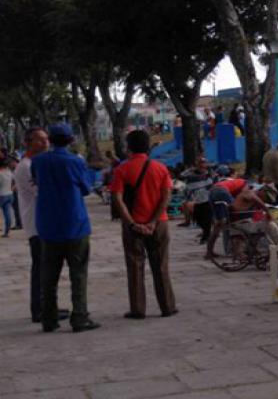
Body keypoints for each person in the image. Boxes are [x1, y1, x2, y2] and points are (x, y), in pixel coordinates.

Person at [32, 123, 100, 333]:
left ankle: (49, 318)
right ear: (71, 140)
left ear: (50, 140)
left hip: (48, 225)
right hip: (75, 224)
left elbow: (36, 181)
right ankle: (79, 317)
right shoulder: (75, 161)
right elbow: (86, 189)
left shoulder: (38, 161)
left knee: (48, 276)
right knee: (78, 274)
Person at [110, 130, 177, 319]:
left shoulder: (122, 169)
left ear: (128, 147)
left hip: (133, 226)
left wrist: (131, 224)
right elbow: (166, 196)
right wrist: (154, 221)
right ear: (148, 146)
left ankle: (138, 309)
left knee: (135, 266)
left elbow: (117, 198)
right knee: (161, 266)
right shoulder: (160, 168)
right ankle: (167, 306)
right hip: (159, 224)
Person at [15, 127, 70, 323]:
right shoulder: (26, 166)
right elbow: (40, 191)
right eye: (39, 140)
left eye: (46, 139)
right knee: (41, 267)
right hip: (36, 224)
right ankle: (39, 309)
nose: (45, 143)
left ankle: (48, 306)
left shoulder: (38, 164)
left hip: (45, 222)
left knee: (47, 268)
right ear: (28, 143)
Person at [179, 157, 215, 243]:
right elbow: (181, 176)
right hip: (196, 201)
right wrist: (191, 169)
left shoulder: (209, 174)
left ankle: (206, 237)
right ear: (197, 165)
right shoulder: (191, 175)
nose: (202, 165)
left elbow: (214, 181)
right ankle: (206, 234)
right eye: (200, 163)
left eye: (204, 163)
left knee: (207, 220)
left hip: (207, 200)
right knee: (198, 219)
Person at [0, 158, 13, 237]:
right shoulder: (9, 172)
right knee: (7, 214)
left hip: (1, 195)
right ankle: (6, 232)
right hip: (9, 194)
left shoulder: (0, 174)